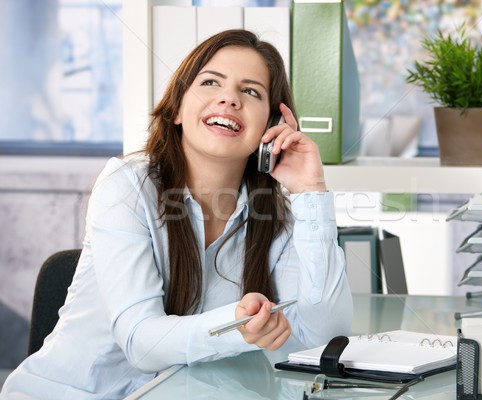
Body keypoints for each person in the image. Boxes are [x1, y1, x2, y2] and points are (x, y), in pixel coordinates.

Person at [1, 29, 353, 399]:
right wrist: (237, 326)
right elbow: (141, 342)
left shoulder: (276, 219)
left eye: (251, 91)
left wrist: (310, 191)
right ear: (177, 110)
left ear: (271, 127)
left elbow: (323, 335)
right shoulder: (128, 185)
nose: (229, 98)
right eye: (210, 82)